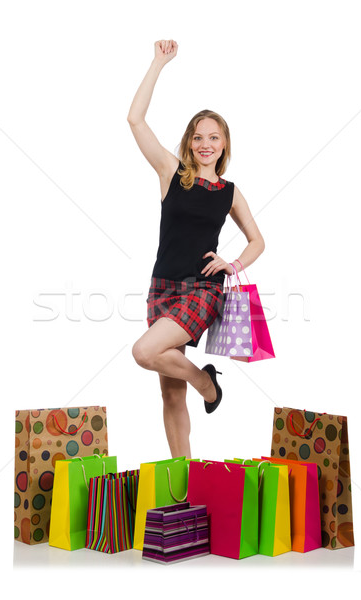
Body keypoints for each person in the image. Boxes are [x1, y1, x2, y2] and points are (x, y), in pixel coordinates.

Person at [127, 40, 265, 459]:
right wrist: (158, 63)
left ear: (224, 144)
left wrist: (233, 263)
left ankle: (206, 384)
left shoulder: (229, 192)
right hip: (162, 287)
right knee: (170, 395)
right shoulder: (172, 173)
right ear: (189, 142)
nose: (206, 144)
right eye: (199, 137)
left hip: (203, 289)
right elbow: (135, 119)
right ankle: (182, 475)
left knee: (144, 351)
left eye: (214, 137)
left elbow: (259, 240)